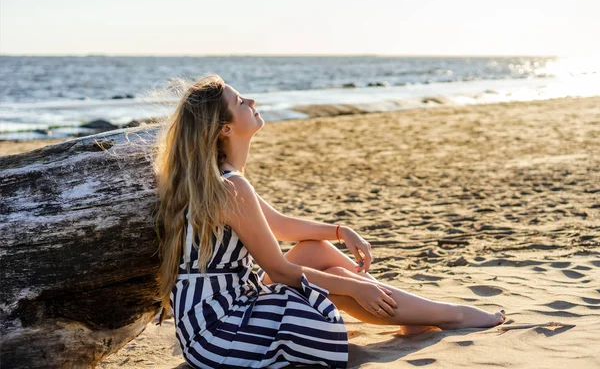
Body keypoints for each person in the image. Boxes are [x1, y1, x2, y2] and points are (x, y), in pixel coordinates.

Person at [153, 74, 506, 369]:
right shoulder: (229, 186)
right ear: (225, 129)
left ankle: (419, 314)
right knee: (338, 280)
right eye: (241, 101)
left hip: (208, 318)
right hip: (220, 333)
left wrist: (340, 231)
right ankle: (448, 315)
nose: (252, 100)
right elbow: (279, 270)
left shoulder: (220, 178)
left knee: (316, 249)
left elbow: (278, 225)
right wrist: (354, 287)